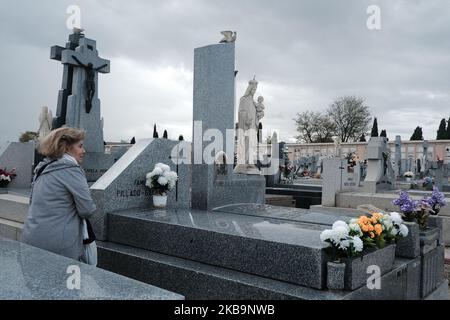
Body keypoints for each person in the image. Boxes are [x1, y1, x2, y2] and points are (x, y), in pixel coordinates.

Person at [21, 127, 96, 263]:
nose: (83, 151)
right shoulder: (72, 170)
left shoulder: (42, 167)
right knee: (64, 284)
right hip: (60, 246)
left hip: (31, 238)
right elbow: (87, 210)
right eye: (80, 146)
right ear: (66, 147)